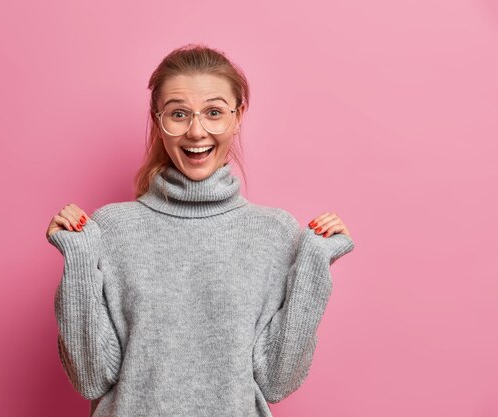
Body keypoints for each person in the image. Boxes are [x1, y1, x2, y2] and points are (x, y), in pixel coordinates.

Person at [45, 44, 355, 417]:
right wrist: (78, 258)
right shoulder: (111, 229)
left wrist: (314, 264)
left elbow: (276, 380)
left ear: (237, 116)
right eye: (179, 114)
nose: (196, 131)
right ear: (158, 119)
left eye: (213, 112)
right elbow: (92, 378)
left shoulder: (273, 233)